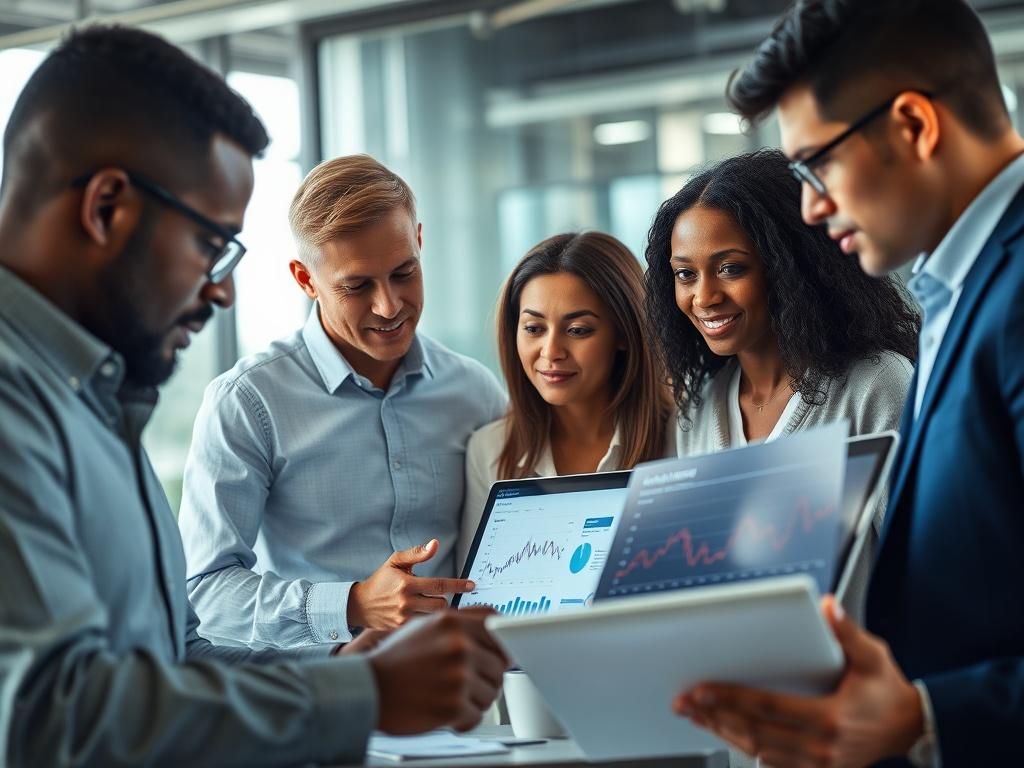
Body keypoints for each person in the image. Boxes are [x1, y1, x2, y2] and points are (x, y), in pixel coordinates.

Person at [0, 25, 505, 767]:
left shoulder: (96, 405)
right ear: (107, 208)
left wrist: (347, 677)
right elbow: (48, 717)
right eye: (211, 245)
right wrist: (360, 694)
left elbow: (174, 665)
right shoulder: (19, 410)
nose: (222, 290)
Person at [673, 1, 1024, 766]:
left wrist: (925, 715)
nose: (811, 205)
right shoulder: (957, 291)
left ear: (914, 126)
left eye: (817, 163)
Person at [178, 154, 506, 649]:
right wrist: (351, 604)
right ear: (305, 279)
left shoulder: (474, 392)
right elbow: (202, 592)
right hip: (323, 708)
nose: (389, 306)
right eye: (357, 286)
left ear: (419, 241)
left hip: (464, 707)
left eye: (404, 273)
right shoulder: (247, 402)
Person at [644, 149, 918, 616]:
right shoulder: (699, 410)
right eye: (685, 274)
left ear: (791, 267)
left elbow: (920, 569)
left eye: (731, 268)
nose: (704, 296)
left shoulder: (878, 386)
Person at [460, 231, 674, 565]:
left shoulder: (682, 435)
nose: (551, 352)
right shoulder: (488, 450)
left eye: (578, 330)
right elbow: (474, 596)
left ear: (624, 334)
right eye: (534, 328)